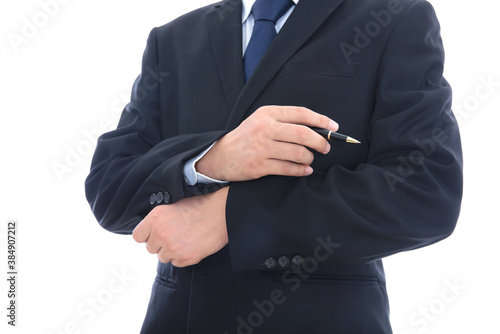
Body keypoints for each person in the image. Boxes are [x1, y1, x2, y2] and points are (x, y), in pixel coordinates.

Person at [85, 0, 463, 332]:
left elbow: (424, 191)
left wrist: (232, 218)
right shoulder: (172, 39)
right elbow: (109, 186)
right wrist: (212, 159)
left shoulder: (395, 17)